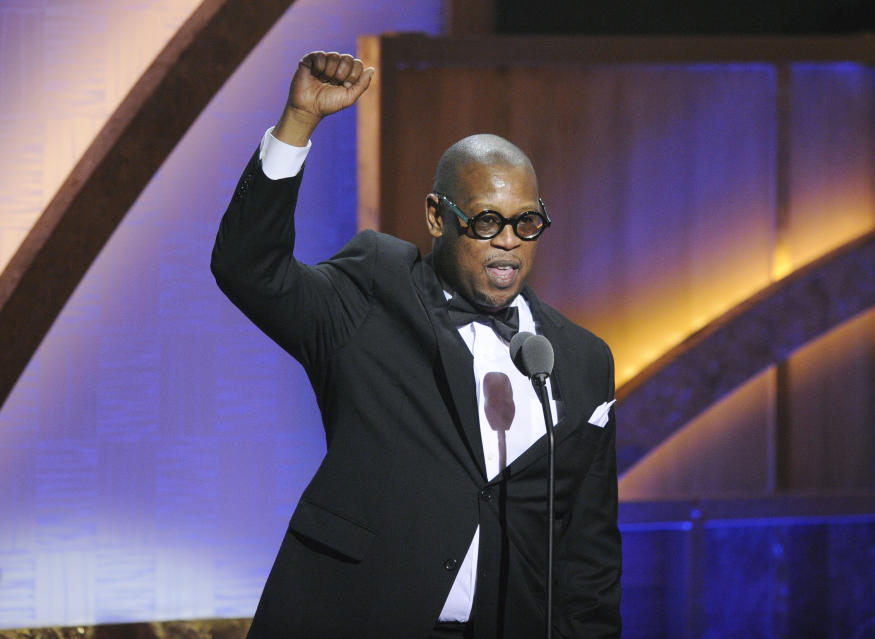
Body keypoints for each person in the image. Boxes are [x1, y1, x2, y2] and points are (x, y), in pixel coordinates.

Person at [211, 50, 621, 639]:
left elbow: (590, 555)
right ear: (436, 217)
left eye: (526, 222)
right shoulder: (374, 293)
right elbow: (248, 268)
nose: (509, 243)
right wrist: (298, 122)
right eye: (486, 222)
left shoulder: (581, 360)